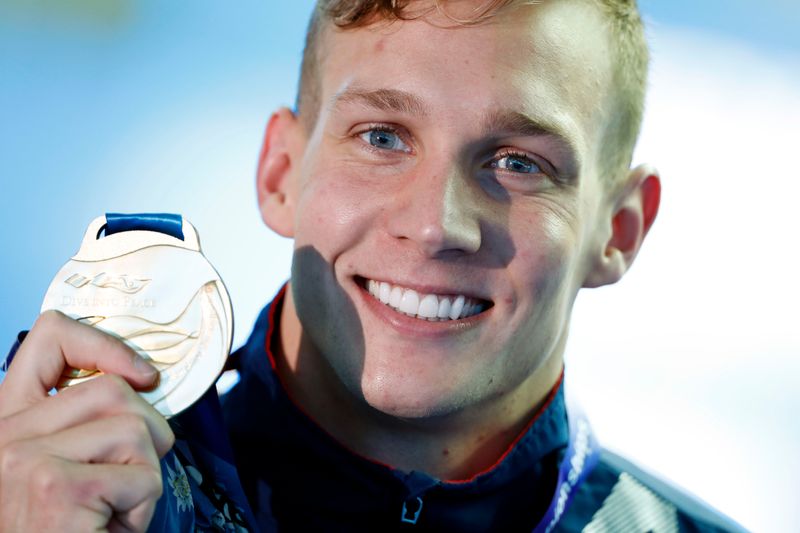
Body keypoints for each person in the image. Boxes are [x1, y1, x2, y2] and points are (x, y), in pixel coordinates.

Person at [0, 0, 747, 531]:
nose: (435, 225)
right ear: (280, 173)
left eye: (519, 162)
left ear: (618, 229)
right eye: (383, 137)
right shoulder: (50, 493)